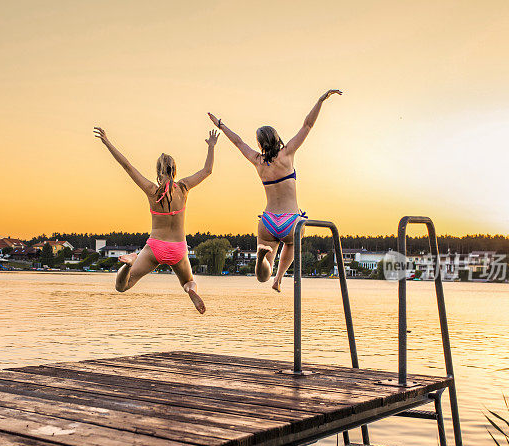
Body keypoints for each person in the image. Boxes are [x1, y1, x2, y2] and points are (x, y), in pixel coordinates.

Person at [207, 89, 341, 291]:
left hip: (268, 221)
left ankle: (263, 259)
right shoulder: (287, 154)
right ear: (277, 138)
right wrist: (321, 100)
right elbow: (308, 124)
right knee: (292, 244)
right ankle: (279, 278)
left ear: (260, 143)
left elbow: (238, 142)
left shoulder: (257, 161)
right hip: (290, 221)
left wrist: (220, 124)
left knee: (262, 276)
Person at [93, 126, 219, 313]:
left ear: (158, 171)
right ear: (174, 169)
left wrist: (107, 141)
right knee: (189, 282)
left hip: (155, 248)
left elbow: (127, 166)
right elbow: (207, 170)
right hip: (178, 249)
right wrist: (211, 146)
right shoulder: (184, 188)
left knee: (122, 286)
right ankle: (191, 291)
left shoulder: (152, 191)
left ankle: (129, 264)